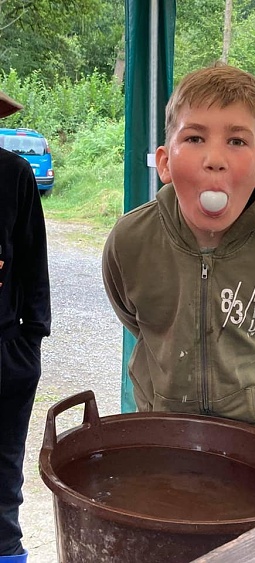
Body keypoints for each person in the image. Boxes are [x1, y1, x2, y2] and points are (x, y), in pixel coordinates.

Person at [102, 63, 255, 437]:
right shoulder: (131, 240)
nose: (215, 159)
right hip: (163, 430)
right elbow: (135, 319)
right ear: (165, 163)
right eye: (194, 138)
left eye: (236, 141)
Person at [0, 90, 51, 561]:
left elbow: (34, 265)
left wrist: (29, 343)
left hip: (5, 352)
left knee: (3, 475)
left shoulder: (14, 174)